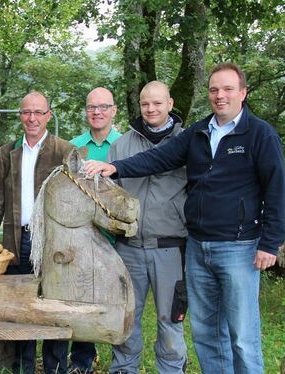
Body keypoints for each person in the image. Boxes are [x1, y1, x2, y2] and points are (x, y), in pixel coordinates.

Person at [84, 63, 285, 374]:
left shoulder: (259, 134)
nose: (220, 96)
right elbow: (159, 158)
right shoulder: (199, 132)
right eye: (214, 90)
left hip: (238, 247)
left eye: (228, 89)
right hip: (198, 247)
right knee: (206, 333)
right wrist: (115, 167)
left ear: (243, 93)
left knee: (243, 336)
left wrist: (270, 243)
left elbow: (276, 190)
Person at [0, 91, 75, 374]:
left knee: (55, 308)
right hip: (16, 241)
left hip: (53, 244)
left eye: (38, 112)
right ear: (20, 115)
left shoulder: (64, 151)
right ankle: (23, 368)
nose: (32, 118)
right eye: (26, 112)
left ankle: (56, 368)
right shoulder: (8, 152)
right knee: (21, 310)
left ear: (48, 115)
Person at [108, 81, 187, 374]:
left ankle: (171, 369)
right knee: (127, 316)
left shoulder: (188, 142)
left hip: (170, 248)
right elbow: (110, 194)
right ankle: (125, 368)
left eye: (157, 103)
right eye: (145, 104)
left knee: (170, 319)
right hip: (128, 249)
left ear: (170, 103)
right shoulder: (122, 145)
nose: (151, 109)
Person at [68, 87, 121, 374]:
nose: (97, 112)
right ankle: (81, 361)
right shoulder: (75, 146)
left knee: (117, 298)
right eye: (91, 107)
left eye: (103, 107)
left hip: (119, 239)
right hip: (83, 237)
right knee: (82, 298)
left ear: (114, 111)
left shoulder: (125, 144)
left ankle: (122, 362)